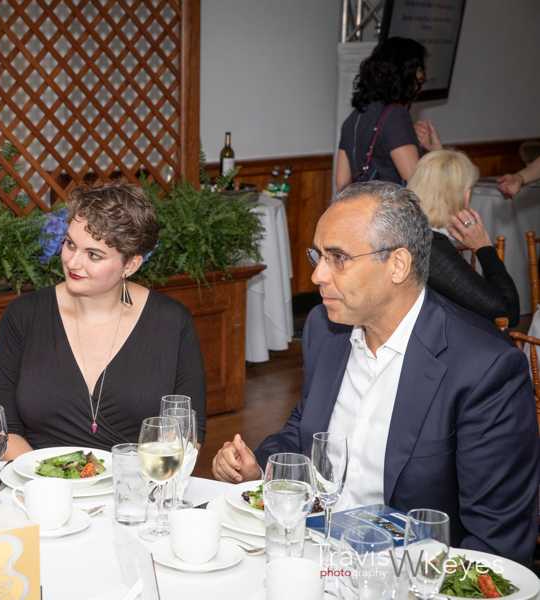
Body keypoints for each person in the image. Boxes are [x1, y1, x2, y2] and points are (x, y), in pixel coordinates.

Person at [212, 181, 540, 565]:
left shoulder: (485, 367)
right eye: (318, 256)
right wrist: (261, 468)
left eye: (338, 258)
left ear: (397, 265)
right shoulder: (325, 329)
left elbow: (496, 541)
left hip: (410, 574)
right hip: (311, 554)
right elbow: (305, 428)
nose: (318, 276)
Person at [0, 181, 206, 459]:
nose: (73, 262)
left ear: (131, 265)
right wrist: (47, 479)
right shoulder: (23, 316)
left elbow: (187, 433)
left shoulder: (172, 322)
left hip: (137, 481)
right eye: (70, 244)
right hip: (37, 479)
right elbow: (2, 428)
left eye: (93, 255)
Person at [407, 149, 520, 326]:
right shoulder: (429, 247)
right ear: (466, 196)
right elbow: (507, 314)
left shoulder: (409, 231)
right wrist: (484, 248)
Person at [336, 37, 443, 190]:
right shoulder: (395, 116)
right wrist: (437, 152)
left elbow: (341, 182)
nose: (422, 77)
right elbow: (417, 184)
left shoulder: (353, 118)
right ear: (406, 73)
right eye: (419, 69)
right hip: (392, 205)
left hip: (363, 204)